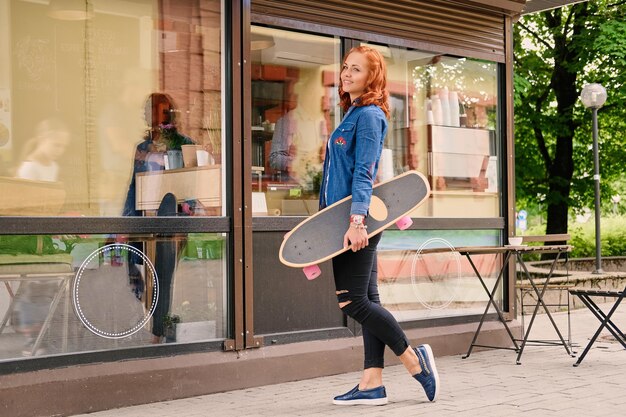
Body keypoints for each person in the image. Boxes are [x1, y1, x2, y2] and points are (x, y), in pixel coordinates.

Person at [318, 46, 440, 406]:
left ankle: (413, 361)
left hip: (356, 221)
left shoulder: (370, 115)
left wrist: (357, 221)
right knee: (368, 298)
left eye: (356, 69)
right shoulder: (352, 112)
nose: (346, 74)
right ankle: (371, 383)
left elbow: (364, 171)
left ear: (372, 77)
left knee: (352, 301)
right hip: (341, 219)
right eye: (345, 67)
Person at [122, 92, 194, 343]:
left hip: (171, 219)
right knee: (135, 272)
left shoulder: (184, 143)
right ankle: (156, 322)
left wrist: (189, 211)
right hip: (144, 218)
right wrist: (125, 221)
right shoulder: (142, 148)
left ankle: (160, 331)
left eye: (160, 112)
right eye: (149, 112)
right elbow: (134, 185)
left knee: (163, 276)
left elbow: (191, 182)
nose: (153, 117)